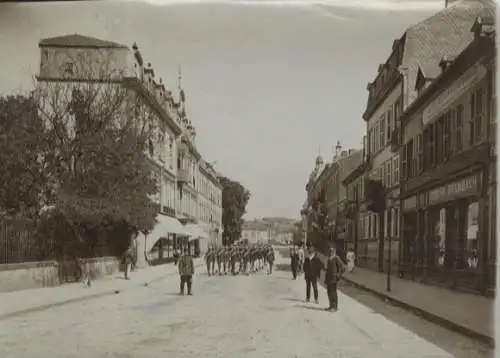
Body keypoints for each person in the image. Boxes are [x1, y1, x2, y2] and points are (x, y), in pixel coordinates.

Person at [324, 247, 346, 311]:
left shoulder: (336, 258)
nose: (331, 252)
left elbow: (343, 268)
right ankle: (331, 306)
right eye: (330, 251)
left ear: (334, 252)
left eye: (332, 251)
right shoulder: (329, 259)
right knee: (329, 292)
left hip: (334, 279)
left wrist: (338, 275)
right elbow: (327, 270)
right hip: (328, 278)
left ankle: (335, 307)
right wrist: (325, 279)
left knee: (333, 292)